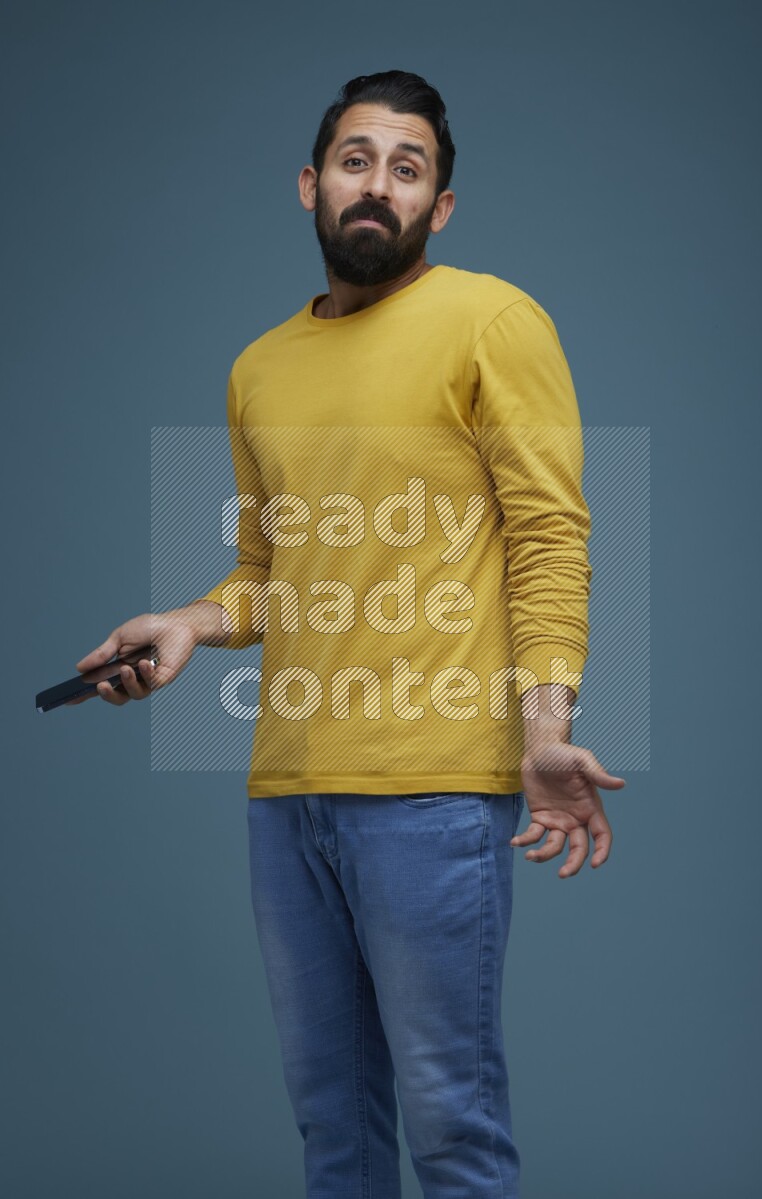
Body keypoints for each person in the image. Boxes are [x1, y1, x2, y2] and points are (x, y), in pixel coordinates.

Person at [73, 70, 625, 1199]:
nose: (378, 184)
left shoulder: (490, 319)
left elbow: (547, 538)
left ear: (441, 205)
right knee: (334, 1134)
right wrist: (184, 624)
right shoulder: (258, 368)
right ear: (310, 184)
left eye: (407, 167)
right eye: (356, 160)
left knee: (451, 1128)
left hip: (432, 794)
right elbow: (277, 576)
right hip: (288, 799)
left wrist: (544, 725)